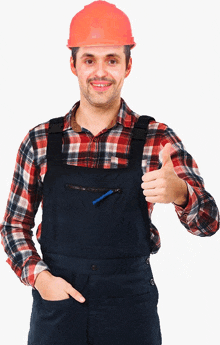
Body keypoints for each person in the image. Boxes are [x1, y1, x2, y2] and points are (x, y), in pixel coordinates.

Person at [0, 1, 219, 344]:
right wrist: (40, 279)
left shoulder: (156, 139)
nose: (100, 72)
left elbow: (209, 224)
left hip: (129, 310)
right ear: (72, 64)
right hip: (58, 308)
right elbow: (14, 226)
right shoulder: (40, 141)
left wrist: (181, 193)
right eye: (89, 59)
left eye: (112, 60)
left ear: (128, 66)